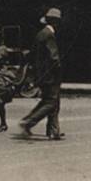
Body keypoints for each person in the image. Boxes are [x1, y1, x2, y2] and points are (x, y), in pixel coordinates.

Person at [19, 8, 63, 139]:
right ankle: (28, 122)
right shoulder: (49, 35)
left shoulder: (40, 34)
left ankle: (53, 131)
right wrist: (58, 71)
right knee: (51, 102)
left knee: (52, 101)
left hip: (42, 75)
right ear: (55, 22)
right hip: (50, 76)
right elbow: (54, 57)